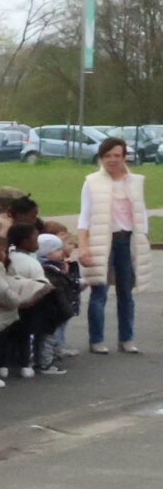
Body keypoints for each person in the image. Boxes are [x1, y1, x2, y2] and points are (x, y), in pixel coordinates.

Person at [78, 135, 146, 354]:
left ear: (124, 157)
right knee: (100, 292)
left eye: (116, 155)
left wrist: (142, 238)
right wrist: (83, 245)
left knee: (126, 293)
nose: (112, 160)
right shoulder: (92, 182)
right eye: (107, 156)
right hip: (103, 240)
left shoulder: (134, 182)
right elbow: (84, 216)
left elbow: (141, 213)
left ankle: (126, 338)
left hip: (127, 240)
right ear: (101, 158)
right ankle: (96, 339)